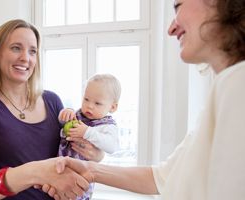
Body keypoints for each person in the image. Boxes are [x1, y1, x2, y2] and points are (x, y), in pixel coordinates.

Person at [44, 0, 245, 199]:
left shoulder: (236, 83)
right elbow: (160, 177)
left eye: (178, 6)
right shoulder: (224, 91)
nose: (171, 28)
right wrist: (91, 169)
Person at [0, 19, 103, 200]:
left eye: (32, 51)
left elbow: (73, 153)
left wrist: (96, 153)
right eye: (16, 48)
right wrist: (36, 172)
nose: (25, 58)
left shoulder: (52, 101)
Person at [58, 74, 121, 199]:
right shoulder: (80, 114)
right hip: (61, 171)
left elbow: (112, 147)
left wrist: (87, 132)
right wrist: (65, 114)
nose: (89, 106)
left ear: (112, 107)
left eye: (97, 103)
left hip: (83, 176)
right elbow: (61, 128)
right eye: (86, 99)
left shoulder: (107, 126)